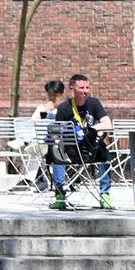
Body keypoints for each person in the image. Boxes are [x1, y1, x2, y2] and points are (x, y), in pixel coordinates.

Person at [49, 72, 114, 210]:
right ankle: (60, 195)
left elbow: (108, 124)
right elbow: (57, 133)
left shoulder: (94, 103)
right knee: (56, 151)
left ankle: (105, 195)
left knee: (104, 151)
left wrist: (91, 129)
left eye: (87, 88)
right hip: (71, 151)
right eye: (82, 88)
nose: (86, 91)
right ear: (72, 89)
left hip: (90, 149)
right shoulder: (64, 108)